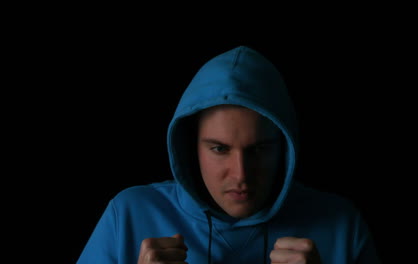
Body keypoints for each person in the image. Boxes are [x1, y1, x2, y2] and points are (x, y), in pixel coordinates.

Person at [77, 45, 382, 264]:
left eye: (259, 150)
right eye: (219, 149)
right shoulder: (128, 215)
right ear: (189, 148)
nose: (241, 175)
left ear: (284, 148)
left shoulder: (342, 224)